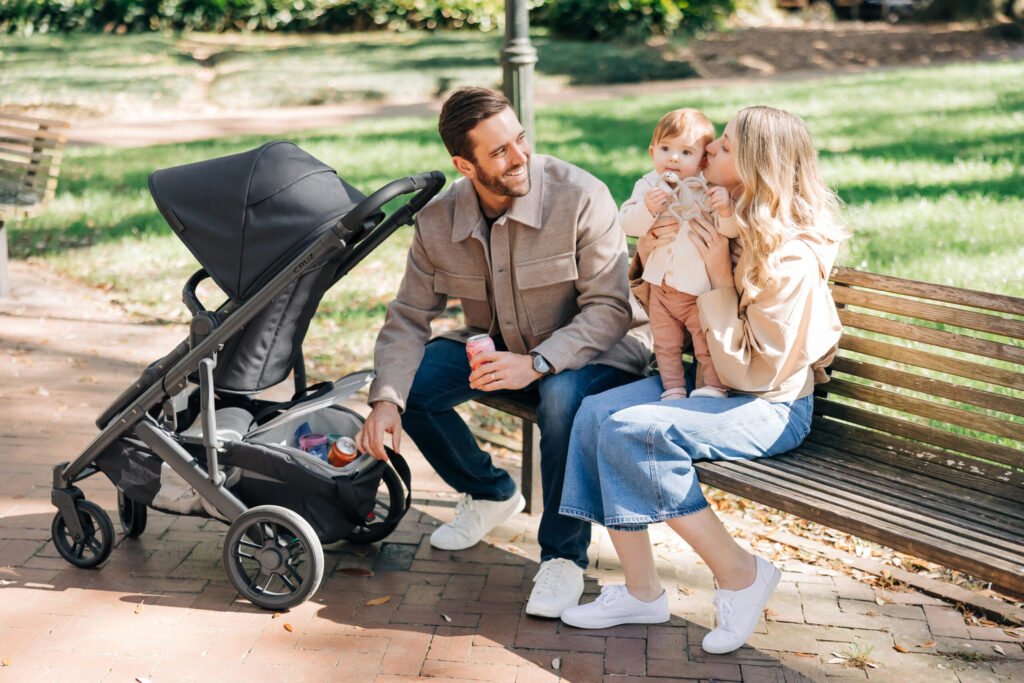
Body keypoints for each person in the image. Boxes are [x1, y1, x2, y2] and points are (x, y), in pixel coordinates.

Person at [557, 105, 851, 654]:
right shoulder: (719, 214)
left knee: (633, 430)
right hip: (709, 382)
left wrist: (718, 273)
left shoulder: (788, 257)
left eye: (726, 146)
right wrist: (649, 250)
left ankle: (741, 574)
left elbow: (753, 370)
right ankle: (642, 593)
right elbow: (660, 300)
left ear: (757, 167)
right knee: (595, 413)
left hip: (769, 405)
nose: (709, 147)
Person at [355, 87, 651, 618]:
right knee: (410, 387)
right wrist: (385, 401)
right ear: (464, 165)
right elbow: (409, 317)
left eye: (520, 139)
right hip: (508, 348)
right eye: (500, 151)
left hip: (602, 351)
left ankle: (563, 558)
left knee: (562, 398)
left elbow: (610, 309)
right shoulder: (438, 221)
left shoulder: (580, 196)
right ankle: (490, 491)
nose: (520, 157)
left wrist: (535, 364)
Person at [619, 108, 739, 401]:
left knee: (705, 342)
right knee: (665, 345)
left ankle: (713, 387)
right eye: (665, 149)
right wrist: (647, 208)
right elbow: (626, 224)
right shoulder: (648, 185)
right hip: (660, 289)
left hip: (697, 291)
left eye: (686, 152)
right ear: (652, 152)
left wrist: (725, 209)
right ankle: (672, 389)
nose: (673, 158)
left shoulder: (709, 188)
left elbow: (731, 230)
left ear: (703, 160)